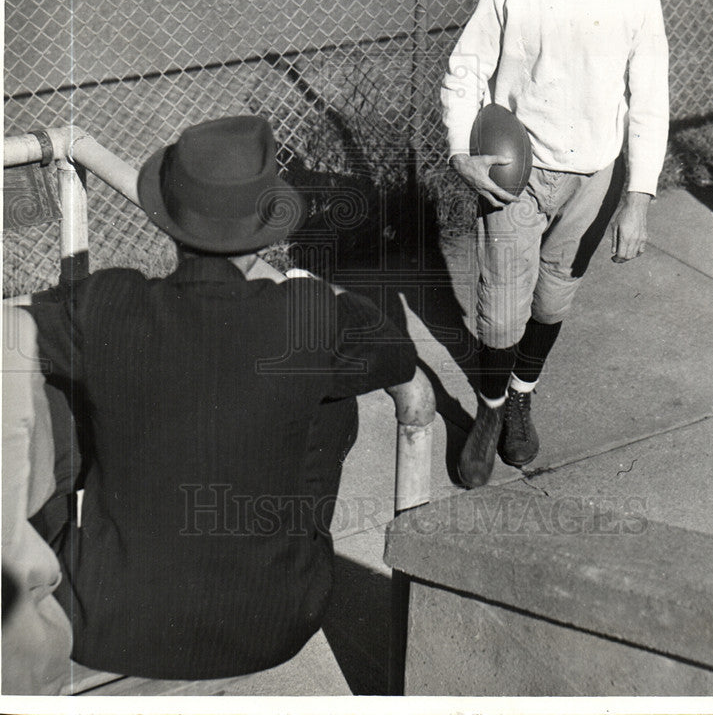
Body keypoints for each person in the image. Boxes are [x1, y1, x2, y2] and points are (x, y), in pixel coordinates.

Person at [2, 114, 432, 687]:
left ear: (168, 220)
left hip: (102, 620)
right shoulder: (306, 317)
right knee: (332, 395)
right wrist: (307, 290)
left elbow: (15, 328)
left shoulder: (108, 303)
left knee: (51, 380)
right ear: (268, 228)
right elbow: (393, 352)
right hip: (278, 620)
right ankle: (279, 548)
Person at [441, 0, 669, 489]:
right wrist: (462, 152)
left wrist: (638, 199)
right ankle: (488, 414)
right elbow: (467, 69)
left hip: (594, 177)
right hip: (519, 175)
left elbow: (649, 101)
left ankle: (520, 395)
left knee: (552, 301)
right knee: (499, 317)